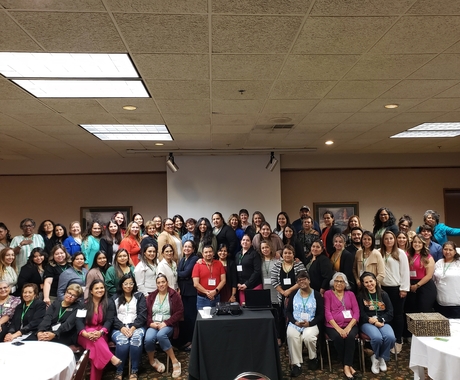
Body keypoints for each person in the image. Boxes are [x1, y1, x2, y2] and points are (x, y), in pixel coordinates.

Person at [76, 279, 121, 380]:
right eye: (96, 288)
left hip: (101, 333)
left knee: (96, 352)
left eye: (102, 288)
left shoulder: (109, 303)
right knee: (96, 343)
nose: (100, 290)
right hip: (84, 334)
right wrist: (85, 334)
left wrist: (101, 332)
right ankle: (111, 357)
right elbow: (78, 321)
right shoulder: (84, 304)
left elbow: (109, 320)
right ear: (91, 291)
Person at [145, 274, 183, 378]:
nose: (161, 284)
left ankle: (175, 361)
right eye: (159, 282)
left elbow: (179, 312)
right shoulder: (151, 296)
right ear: (156, 284)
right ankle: (152, 361)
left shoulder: (174, 295)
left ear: (167, 282)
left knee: (161, 335)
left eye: (163, 282)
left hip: (168, 324)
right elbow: (146, 313)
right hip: (154, 324)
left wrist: (166, 323)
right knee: (148, 338)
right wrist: (151, 323)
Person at [286, 270, 324, 377]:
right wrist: (294, 321)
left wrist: (310, 323)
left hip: (311, 323)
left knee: (308, 337)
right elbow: (288, 311)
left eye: (304, 279)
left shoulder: (316, 295)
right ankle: (297, 364)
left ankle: (313, 358)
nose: (302, 282)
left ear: (309, 280)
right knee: (292, 335)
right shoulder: (293, 294)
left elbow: (321, 314)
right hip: (295, 323)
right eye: (299, 281)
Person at [357, 271, 396, 375]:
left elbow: (390, 312)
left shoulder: (383, 294)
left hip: (382, 321)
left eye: (371, 281)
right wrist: (372, 321)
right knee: (377, 338)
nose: (369, 284)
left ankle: (379, 357)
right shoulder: (361, 296)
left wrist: (380, 320)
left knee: (391, 337)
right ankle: (376, 359)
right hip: (367, 322)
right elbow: (360, 313)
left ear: (375, 281)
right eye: (366, 282)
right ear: (363, 284)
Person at [324, 272, 360, 380]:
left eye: (341, 281)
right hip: (333, 326)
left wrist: (348, 327)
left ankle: (346, 366)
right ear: (333, 282)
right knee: (338, 338)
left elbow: (356, 312)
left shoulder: (351, 294)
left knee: (350, 337)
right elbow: (327, 313)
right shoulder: (327, 294)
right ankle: (349, 366)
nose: (339, 283)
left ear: (345, 283)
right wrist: (339, 329)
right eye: (336, 281)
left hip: (350, 324)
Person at [379, 230, 410, 354]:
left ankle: (398, 340)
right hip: (383, 289)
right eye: (386, 239)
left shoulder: (400, 253)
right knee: (387, 315)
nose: (388, 241)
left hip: (397, 289)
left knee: (397, 315)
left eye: (391, 238)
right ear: (383, 241)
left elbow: (405, 272)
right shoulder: (379, 253)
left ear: (395, 240)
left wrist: (404, 288)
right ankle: (389, 339)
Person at [111, 274, 147, 380]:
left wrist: (133, 327)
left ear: (134, 284)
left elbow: (142, 314)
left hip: (136, 326)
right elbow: (111, 316)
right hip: (119, 327)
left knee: (136, 340)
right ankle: (119, 371)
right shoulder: (114, 297)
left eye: (131, 283)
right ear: (121, 285)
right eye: (126, 283)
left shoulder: (139, 296)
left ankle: (134, 370)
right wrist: (121, 327)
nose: (128, 286)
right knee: (123, 343)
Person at [271, 245, 306, 343]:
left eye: (290, 253)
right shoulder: (277, 265)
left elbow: (302, 280)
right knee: (281, 317)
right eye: (285, 253)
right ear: (282, 254)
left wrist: (289, 291)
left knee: (295, 316)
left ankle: (296, 337)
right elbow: (273, 280)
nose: (287, 255)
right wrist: (283, 292)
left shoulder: (299, 265)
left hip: (297, 295)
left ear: (293, 254)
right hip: (281, 296)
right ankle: (281, 337)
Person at [405, 235, 437, 325]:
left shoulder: (428, 257)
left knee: (424, 310)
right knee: (411, 311)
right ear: (412, 243)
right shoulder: (407, 254)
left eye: (419, 242)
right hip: (410, 284)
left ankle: (425, 334)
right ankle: (410, 336)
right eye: (415, 242)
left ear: (423, 244)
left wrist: (417, 285)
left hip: (425, 286)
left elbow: (429, 275)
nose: (417, 244)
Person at [177, 240, 198, 350]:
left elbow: (186, 273)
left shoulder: (194, 259)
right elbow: (181, 273)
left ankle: (192, 341)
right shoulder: (183, 259)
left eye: (189, 247)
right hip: (184, 292)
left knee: (191, 317)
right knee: (186, 317)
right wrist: (180, 275)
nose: (187, 248)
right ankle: (187, 340)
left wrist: (175, 273)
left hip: (191, 293)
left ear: (193, 249)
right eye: (185, 246)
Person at [433, 241, 460, 318]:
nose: (447, 252)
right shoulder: (438, 263)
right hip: (440, 302)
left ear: (455, 251)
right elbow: (433, 279)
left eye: (450, 250)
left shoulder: (458, 263)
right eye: (445, 249)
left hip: (456, 303)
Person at [235, 234, 262, 304]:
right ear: (241, 242)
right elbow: (235, 271)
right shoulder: (237, 255)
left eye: (247, 240)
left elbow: (257, 271)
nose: (245, 242)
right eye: (243, 240)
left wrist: (247, 284)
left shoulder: (255, 254)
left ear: (251, 243)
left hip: (254, 286)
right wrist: (238, 283)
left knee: (255, 311)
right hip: (241, 288)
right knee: (244, 310)